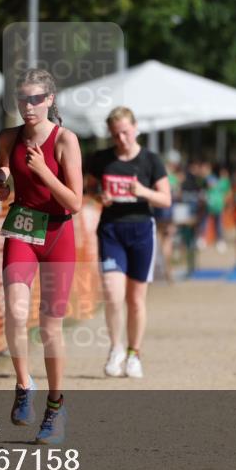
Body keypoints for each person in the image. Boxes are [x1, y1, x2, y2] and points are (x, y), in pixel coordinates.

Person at [0, 68, 82, 445]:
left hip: (58, 233)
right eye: (22, 99)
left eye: (35, 99)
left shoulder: (66, 140)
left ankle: (56, 407)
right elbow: (1, 183)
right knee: (14, 310)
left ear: (50, 100)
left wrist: (45, 172)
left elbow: (75, 202)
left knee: (49, 327)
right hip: (23, 228)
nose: (28, 106)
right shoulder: (8, 137)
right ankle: (23, 384)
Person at [85, 107, 171, 379]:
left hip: (142, 231)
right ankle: (115, 348)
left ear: (135, 127)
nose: (121, 138)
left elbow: (166, 199)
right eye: (115, 134)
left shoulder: (150, 160)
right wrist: (100, 196)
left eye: (125, 131)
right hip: (111, 230)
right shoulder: (101, 159)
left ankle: (134, 353)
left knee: (135, 299)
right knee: (112, 294)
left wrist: (143, 191)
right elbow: (88, 188)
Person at [154, 150, 183, 282]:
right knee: (167, 242)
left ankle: (163, 270)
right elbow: (177, 196)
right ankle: (168, 271)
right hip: (168, 213)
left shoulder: (158, 174)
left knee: (160, 242)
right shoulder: (173, 177)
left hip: (158, 212)